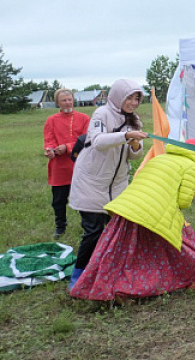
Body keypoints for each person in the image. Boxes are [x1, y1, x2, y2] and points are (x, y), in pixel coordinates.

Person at [69, 139, 195, 300]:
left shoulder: (159, 158)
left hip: (128, 208)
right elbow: (184, 202)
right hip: (153, 211)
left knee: (121, 253)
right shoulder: (190, 166)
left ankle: (103, 285)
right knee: (182, 242)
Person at [68, 79, 148, 290]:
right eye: (129, 98)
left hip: (117, 185)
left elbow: (134, 155)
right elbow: (98, 142)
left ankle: (106, 271)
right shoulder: (101, 114)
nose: (133, 103)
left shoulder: (134, 120)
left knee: (115, 231)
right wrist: (125, 135)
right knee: (93, 231)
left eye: (136, 99)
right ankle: (78, 275)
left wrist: (135, 145)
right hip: (91, 182)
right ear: (118, 96)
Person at [43, 88, 90, 239]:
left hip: (79, 165)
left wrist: (67, 147)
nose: (67, 102)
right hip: (59, 167)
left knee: (84, 199)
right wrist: (50, 149)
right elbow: (48, 139)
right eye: (64, 100)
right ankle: (60, 227)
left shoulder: (84, 118)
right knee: (59, 200)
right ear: (58, 102)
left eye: (69, 99)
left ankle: (88, 227)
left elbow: (87, 139)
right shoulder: (51, 120)